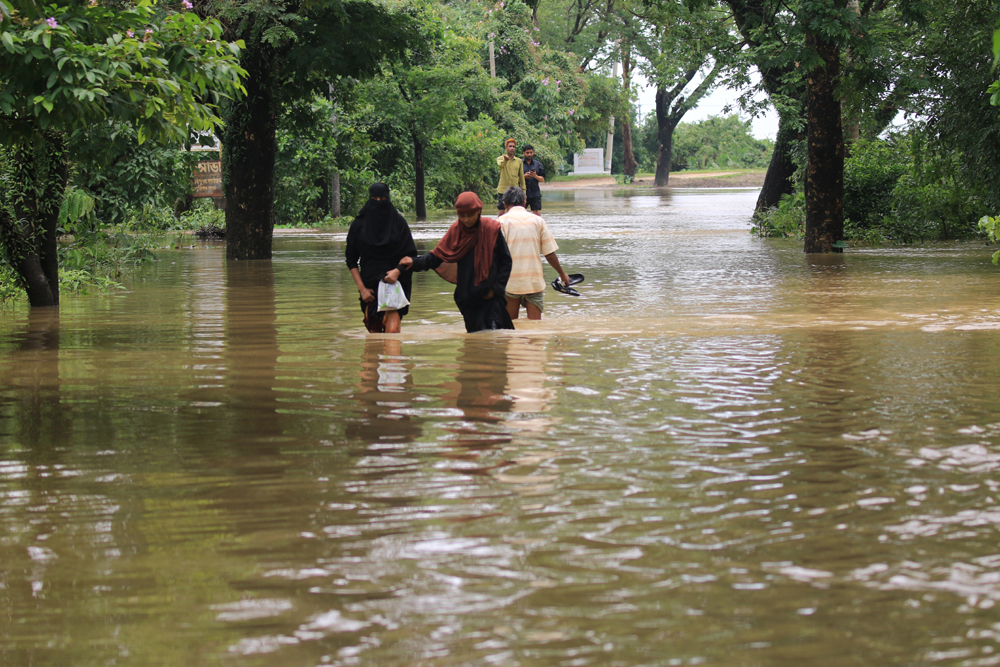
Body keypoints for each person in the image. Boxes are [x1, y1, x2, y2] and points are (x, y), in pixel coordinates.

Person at [398, 192, 514, 333]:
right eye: (462, 216)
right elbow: (437, 257)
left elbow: (506, 261)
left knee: (496, 338)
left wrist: (496, 289)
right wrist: (414, 262)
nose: (466, 220)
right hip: (468, 298)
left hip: (492, 297)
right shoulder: (455, 232)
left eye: (470, 215)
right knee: (475, 342)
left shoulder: (491, 230)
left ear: (478, 211)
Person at [344, 183, 417, 334]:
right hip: (370, 289)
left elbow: (411, 256)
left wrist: (397, 271)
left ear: (389, 199)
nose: (379, 202)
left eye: (383, 198)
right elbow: (351, 260)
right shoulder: (359, 226)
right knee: (373, 341)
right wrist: (362, 290)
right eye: (375, 199)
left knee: (392, 337)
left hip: (396, 285)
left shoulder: (399, 224)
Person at [498, 186, 571, 321]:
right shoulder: (538, 221)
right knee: (535, 328)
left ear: (504, 204)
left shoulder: (500, 223)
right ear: (525, 202)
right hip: (534, 281)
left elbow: (494, 256)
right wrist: (562, 274)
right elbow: (549, 254)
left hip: (510, 282)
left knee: (510, 327)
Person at [495, 138, 526, 215]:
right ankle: (499, 227)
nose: (512, 148)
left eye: (513, 146)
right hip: (503, 190)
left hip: (515, 190)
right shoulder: (500, 159)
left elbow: (522, 177)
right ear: (506, 148)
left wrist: (524, 192)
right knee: (501, 211)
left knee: (515, 212)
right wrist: (506, 160)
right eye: (510, 146)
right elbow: (501, 164)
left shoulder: (519, 161)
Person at [521, 144, 545, 214]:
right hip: (523, 192)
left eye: (531, 152)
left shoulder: (537, 164)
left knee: (537, 213)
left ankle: (537, 225)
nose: (529, 154)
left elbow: (542, 179)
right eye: (527, 153)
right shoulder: (519, 163)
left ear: (533, 153)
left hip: (535, 192)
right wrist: (524, 177)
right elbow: (515, 178)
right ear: (524, 153)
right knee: (521, 213)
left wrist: (535, 176)